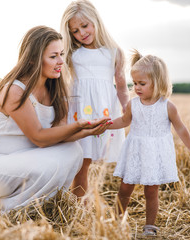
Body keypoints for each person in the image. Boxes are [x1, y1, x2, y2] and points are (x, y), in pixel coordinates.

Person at [0, 25, 111, 212]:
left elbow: (59, 135)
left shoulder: (56, 90)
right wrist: (77, 125)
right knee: (49, 166)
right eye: (53, 56)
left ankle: (39, 207)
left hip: (26, 162)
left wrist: (86, 131)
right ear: (32, 60)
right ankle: (4, 209)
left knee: (74, 151)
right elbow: (39, 137)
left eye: (61, 54)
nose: (61, 61)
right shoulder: (15, 90)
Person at [107, 50, 190, 236]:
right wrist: (106, 125)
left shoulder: (167, 106)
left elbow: (180, 128)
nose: (137, 87)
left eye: (142, 83)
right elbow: (124, 121)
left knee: (151, 193)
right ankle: (116, 221)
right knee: (124, 189)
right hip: (135, 151)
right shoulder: (133, 104)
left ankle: (149, 226)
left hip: (155, 154)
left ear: (158, 82)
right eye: (134, 83)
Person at [60, 0, 130, 198]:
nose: (81, 33)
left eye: (85, 26)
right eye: (75, 31)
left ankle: (89, 206)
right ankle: (77, 207)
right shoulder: (72, 53)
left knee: (92, 160)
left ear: (96, 21)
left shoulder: (114, 52)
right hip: (80, 110)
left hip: (104, 110)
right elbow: (63, 83)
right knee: (81, 161)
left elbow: (122, 86)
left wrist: (127, 107)